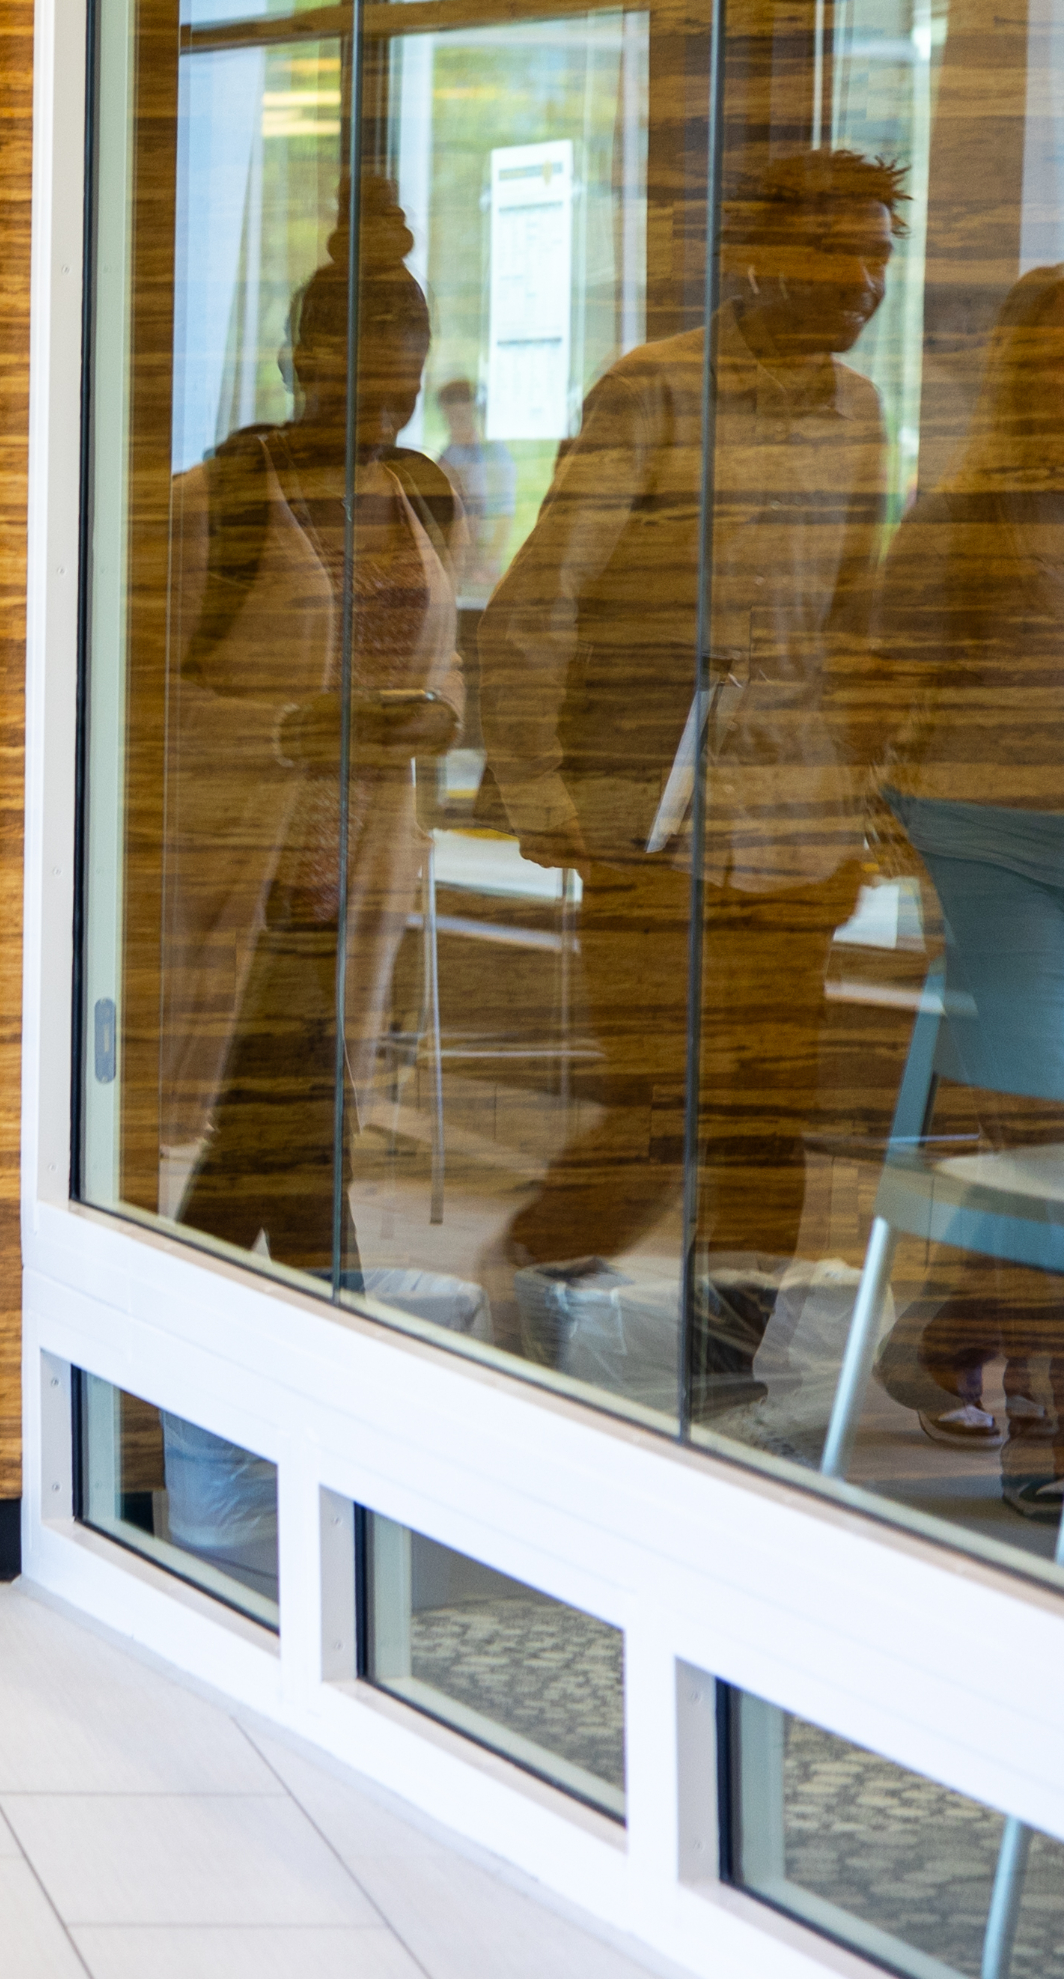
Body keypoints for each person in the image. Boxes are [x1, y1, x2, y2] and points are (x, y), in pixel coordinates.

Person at [476, 147, 905, 1415]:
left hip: (796, 828)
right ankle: (531, 1288)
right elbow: (533, 607)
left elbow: (856, 619)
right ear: (755, 254)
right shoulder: (653, 392)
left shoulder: (860, 412)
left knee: (766, 1125)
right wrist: (543, 795)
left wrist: (869, 801)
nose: (863, 281)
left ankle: (720, 1381)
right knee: (659, 1109)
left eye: (878, 255)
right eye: (838, 252)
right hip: (652, 823)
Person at [160, 195, 465, 1278]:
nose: (379, 409)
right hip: (253, 863)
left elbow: (445, 662)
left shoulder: (421, 497)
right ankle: (302, 1315)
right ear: (297, 360)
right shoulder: (218, 506)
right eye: (353, 383)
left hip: (365, 861)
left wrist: (435, 719)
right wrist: (295, 727)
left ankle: (240, 1330)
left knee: (290, 1128)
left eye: (401, 386)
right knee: (284, 1125)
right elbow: (151, 702)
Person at [861, 263, 1064, 1504]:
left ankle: (941, 1335)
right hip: (990, 847)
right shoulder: (956, 518)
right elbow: (881, 692)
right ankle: (1047, 1416)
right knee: (1045, 1132)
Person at [432, 376, 518, 596]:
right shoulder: (448, 456)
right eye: (450, 418)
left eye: (461, 418)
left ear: (474, 414)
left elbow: (503, 515)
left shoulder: (494, 456)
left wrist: (489, 564)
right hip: (454, 562)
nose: (455, 426)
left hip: (481, 567)